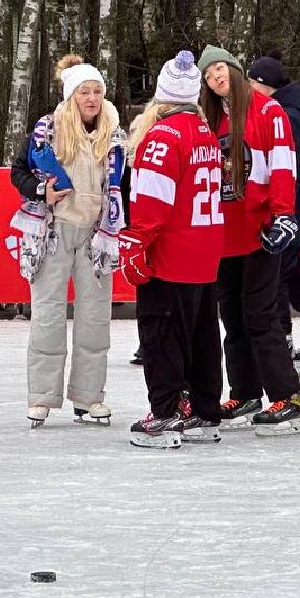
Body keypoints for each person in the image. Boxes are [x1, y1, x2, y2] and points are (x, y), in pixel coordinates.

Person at [9, 54, 125, 428]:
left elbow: (125, 187)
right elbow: (19, 172)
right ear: (71, 95)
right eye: (84, 92)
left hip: (96, 239)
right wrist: (42, 190)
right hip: (54, 234)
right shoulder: (48, 130)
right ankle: (42, 396)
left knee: (94, 320)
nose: (91, 98)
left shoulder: (115, 134)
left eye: (97, 91)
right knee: (47, 317)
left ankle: (89, 398)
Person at [120, 51, 225, 447]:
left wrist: (135, 245)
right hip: (204, 250)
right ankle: (203, 410)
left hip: (171, 254)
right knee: (201, 334)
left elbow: (152, 204)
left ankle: (165, 413)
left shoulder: (161, 138)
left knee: (161, 333)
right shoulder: (205, 133)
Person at [199, 44, 300, 435]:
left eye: (221, 70)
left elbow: (282, 164)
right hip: (223, 235)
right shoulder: (208, 120)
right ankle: (245, 391)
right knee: (233, 318)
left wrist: (283, 216)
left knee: (261, 316)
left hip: (260, 230)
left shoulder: (267, 111)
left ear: (235, 70)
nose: (217, 78)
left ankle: (287, 397)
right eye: (209, 76)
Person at [247, 53, 300, 365]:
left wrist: (283, 212)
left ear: (265, 85)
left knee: (279, 274)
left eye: (254, 83)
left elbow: (287, 167)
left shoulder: (285, 116)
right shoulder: (285, 109)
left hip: (288, 208)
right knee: (291, 274)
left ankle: (283, 337)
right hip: (292, 206)